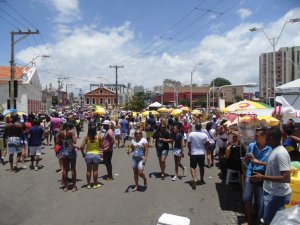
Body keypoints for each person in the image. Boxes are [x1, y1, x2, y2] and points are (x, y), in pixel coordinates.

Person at [250, 127, 291, 225]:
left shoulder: (281, 153)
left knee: (271, 222)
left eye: (266, 136)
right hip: (271, 192)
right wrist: (259, 163)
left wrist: (263, 177)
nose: (265, 138)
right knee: (267, 220)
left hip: (277, 195)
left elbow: (286, 178)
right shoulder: (274, 150)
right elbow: (273, 164)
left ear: (271, 138)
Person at [242, 128, 272, 225]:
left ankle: (258, 220)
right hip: (250, 174)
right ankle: (249, 220)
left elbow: (272, 164)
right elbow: (245, 162)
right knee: (246, 198)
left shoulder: (270, 148)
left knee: (259, 201)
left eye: (257, 136)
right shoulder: (252, 146)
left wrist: (259, 162)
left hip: (263, 176)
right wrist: (246, 158)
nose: (255, 137)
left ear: (264, 137)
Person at [187, 122, 209, 189]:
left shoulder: (191, 134)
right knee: (201, 167)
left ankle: (194, 179)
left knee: (192, 167)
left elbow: (189, 144)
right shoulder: (204, 135)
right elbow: (207, 143)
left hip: (194, 153)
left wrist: (189, 151)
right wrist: (205, 147)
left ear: (195, 127)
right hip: (201, 153)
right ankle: (201, 179)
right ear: (201, 127)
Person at [57, 123, 78, 192]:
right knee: (73, 169)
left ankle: (65, 187)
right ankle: (74, 186)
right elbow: (74, 142)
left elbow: (57, 142)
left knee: (65, 169)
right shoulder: (71, 132)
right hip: (71, 151)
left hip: (64, 152)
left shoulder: (60, 133)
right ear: (68, 127)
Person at [80, 124, 102, 189]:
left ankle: (88, 184)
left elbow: (81, 147)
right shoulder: (99, 137)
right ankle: (95, 184)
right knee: (95, 170)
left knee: (88, 170)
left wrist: (83, 154)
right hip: (96, 155)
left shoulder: (87, 138)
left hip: (88, 155)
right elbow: (101, 146)